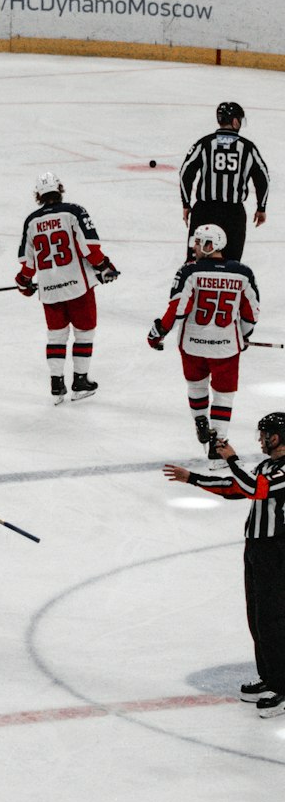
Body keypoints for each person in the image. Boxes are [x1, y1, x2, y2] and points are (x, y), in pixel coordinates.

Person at [163, 413, 285, 716]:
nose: (260, 439)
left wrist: (233, 459)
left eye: (265, 434)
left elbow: (258, 489)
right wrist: (192, 478)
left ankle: (281, 686)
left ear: (279, 437)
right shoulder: (266, 466)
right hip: (257, 547)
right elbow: (235, 489)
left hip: (278, 549)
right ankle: (269, 676)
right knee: (257, 614)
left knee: (273, 617)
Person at [148, 224, 259, 459]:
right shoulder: (242, 273)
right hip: (226, 346)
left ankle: (200, 418)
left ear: (211, 245)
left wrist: (158, 333)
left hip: (193, 345)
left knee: (196, 386)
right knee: (223, 395)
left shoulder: (190, 271)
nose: (194, 247)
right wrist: (245, 335)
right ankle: (217, 446)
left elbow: (177, 310)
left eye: (199, 242)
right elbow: (251, 313)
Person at [15, 171, 119, 404]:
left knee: (56, 336)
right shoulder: (74, 212)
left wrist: (23, 281)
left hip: (50, 291)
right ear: (59, 189)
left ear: (38, 195)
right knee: (84, 332)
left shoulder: (31, 221)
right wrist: (105, 267)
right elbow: (90, 249)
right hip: (78, 287)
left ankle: (56, 384)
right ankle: (80, 381)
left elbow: (28, 263)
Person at [179, 102, 269, 262]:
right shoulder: (247, 148)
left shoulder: (205, 143)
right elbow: (263, 177)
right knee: (231, 263)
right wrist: (261, 207)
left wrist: (186, 204)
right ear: (235, 121)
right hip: (233, 214)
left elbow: (186, 172)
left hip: (204, 212)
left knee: (194, 263)